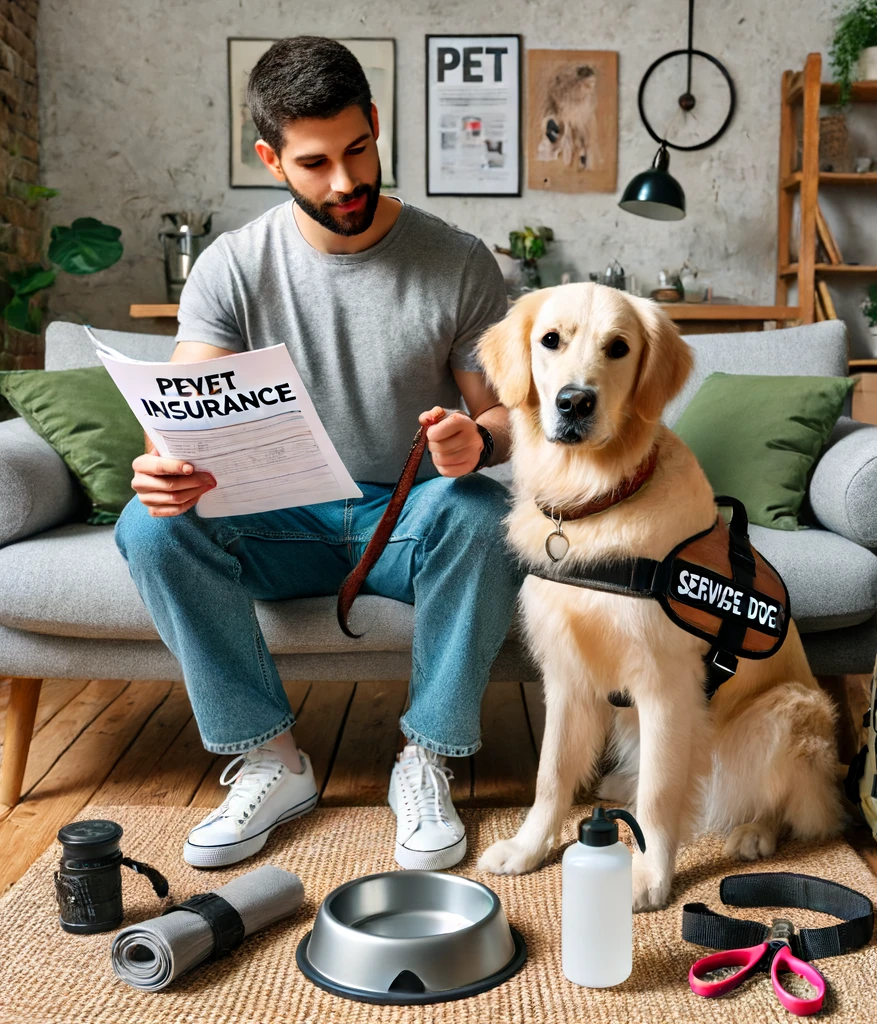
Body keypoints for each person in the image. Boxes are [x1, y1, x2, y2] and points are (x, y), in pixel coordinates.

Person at [114, 36, 524, 872]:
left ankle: (429, 759)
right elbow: (180, 405)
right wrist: (162, 464)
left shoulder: (458, 261)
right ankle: (273, 759)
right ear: (271, 159)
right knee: (150, 528)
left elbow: (510, 415)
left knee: (483, 515)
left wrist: (478, 440)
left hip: (406, 517)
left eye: (358, 150)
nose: (344, 183)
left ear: (376, 124)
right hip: (283, 518)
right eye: (313, 163)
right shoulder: (233, 266)